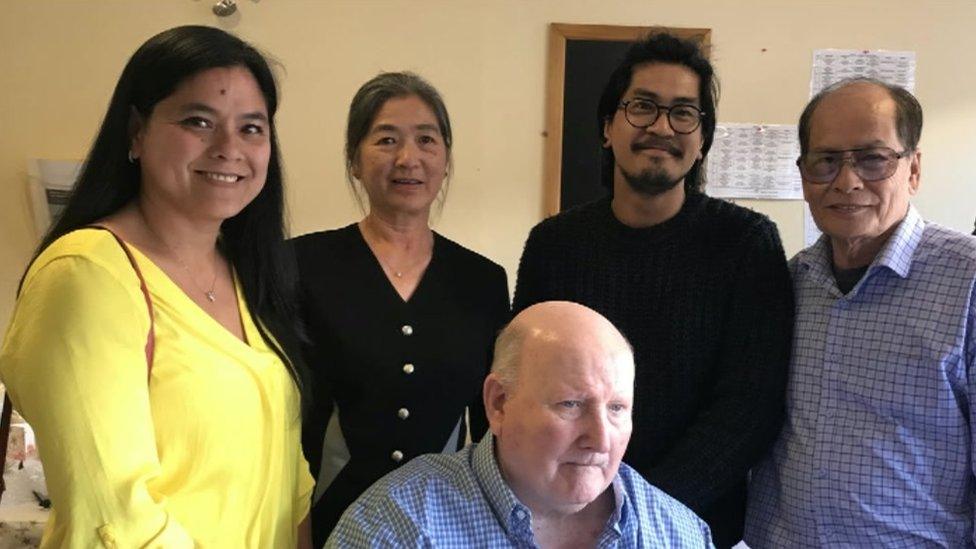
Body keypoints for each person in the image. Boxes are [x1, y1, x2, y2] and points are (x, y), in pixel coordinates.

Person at [0, 26, 313, 548]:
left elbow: (288, 481)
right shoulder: (87, 275)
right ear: (137, 132)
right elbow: (116, 519)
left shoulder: (247, 273)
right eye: (198, 121)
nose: (229, 149)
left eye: (252, 128)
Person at [512, 32, 792, 547]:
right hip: (564, 519)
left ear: (702, 138)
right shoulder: (554, 244)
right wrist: (580, 507)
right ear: (607, 126)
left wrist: (638, 510)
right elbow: (525, 383)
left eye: (684, 113)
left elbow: (750, 406)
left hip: (692, 525)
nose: (662, 127)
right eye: (643, 107)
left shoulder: (746, 243)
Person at [744, 78, 976, 547]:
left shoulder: (968, 283)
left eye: (873, 159)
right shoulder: (786, 284)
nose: (847, 182)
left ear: (913, 169)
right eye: (826, 161)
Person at [292, 71, 510, 545]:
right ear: (354, 159)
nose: (408, 159)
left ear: (446, 159)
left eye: (426, 140)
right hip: (325, 518)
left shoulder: (483, 282)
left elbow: (494, 425)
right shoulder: (302, 266)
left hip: (442, 523)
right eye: (386, 139)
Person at [327, 301, 714, 548]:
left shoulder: (678, 534)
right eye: (571, 404)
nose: (599, 439)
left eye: (616, 409)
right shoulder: (397, 524)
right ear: (499, 404)